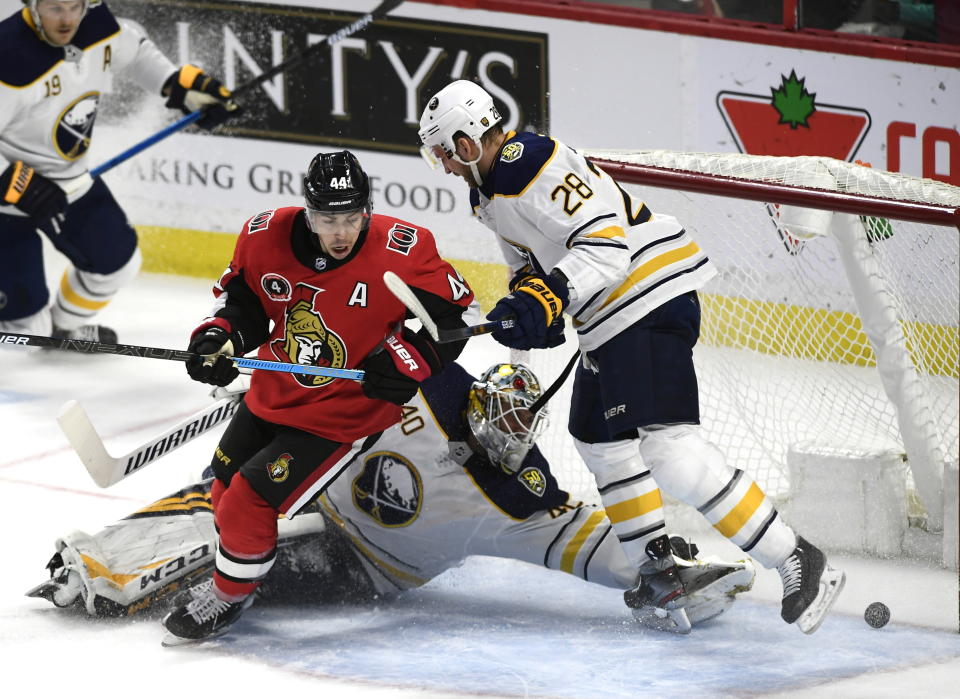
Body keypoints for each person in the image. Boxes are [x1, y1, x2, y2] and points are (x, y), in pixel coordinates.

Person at [417, 80, 845, 634]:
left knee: (673, 453)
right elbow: (532, 270)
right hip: (607, 319)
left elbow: (605, 246)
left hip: (644, 298)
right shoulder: (487, 195)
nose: (445, 165)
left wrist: (549, 297)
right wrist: (528, 314)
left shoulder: (530, 162)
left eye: (447, 151)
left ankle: (795, 556)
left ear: (468, 140)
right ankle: (659, 570)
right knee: (597, 438)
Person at [26, 362, 756, 640]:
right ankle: (91, 557)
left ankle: (115, 590)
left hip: (361, 566)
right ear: (476, 399)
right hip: (321, 482)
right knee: (225, 498)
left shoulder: (522, 498)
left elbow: (591, 542)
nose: (504, 432)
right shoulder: (433, 387)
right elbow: (356, 363)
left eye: (518, 425)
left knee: (245, 568)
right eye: (495, 413)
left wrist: (662, 563)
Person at [163, 149, 478, 644]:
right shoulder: (263, 235)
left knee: (247, 498)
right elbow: (243, 306)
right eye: (328, 219)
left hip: (344, 414)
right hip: (273, 393)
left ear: (367, 210)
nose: (340, 232)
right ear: (308, 212)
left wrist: (407, 358)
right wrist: (219, 338)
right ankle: (249, 561)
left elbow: (453, 325)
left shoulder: (404, 249)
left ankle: (228, 595)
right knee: (223, 490)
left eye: (352, 218)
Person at [0, 0, 237, 343]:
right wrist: (16, 181)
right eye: (55, 8)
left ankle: (61, 329)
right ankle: (32, 330)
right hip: (5, 202)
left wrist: (177, 84)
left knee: (117, 265)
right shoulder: (8, 55)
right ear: (33, 6)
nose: (67, 19)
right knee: (23, 335)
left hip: (69, 181)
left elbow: (134, 52)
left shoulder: (96, 27)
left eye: (74, 6)